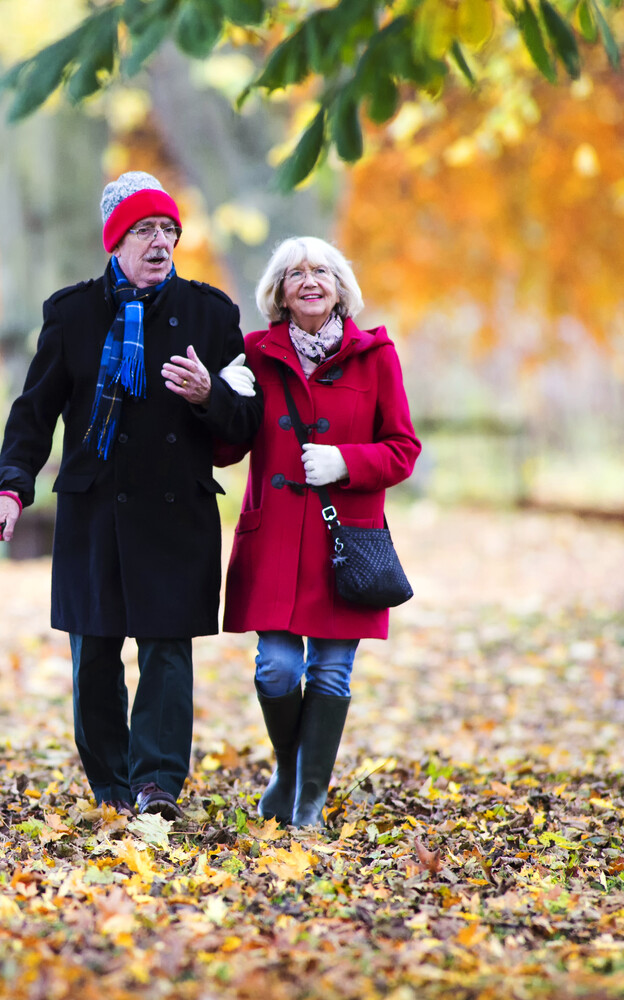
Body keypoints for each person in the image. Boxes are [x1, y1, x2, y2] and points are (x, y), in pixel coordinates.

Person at [0, 171, 260, 820]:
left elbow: (245, 424)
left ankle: (158, 784)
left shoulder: (212, 315)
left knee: (166, 652)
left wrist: (207, 396)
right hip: (94, 509)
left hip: (176, 509)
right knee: (94, 655)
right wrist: (11, 489)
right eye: (144, 230)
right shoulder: (72, 313)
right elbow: (32, 415)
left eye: (169, 230)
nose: (160, 242)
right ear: (116, 240)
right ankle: (110, 784)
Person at [216, 236, 421, 828]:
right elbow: (226, 451)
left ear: (340, 286)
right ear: (278, 292)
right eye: (295, 272)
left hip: (343, 543)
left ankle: (306, 800)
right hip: (276, 540)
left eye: (323, 270)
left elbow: (403, 449)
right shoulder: (254, 353)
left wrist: (346, 463)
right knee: (275, 668)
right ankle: (290, 767)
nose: (310, 280)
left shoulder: (375, 356)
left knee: (331, 672)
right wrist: (225, 399)